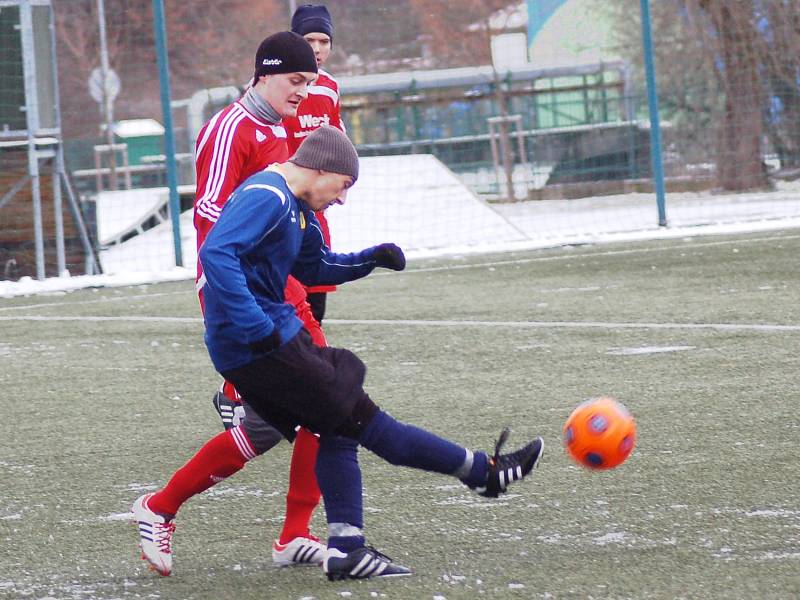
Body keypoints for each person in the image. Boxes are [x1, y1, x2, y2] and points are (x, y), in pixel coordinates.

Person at [132, 125, 545, 580]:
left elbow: (314, 265)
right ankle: (478, 475)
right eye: (344, 185)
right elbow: (217, 255)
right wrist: (257, 327)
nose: (343, 197)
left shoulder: (298, 208)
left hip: (275, 339)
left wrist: (370, 259)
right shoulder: (268, 194)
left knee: (339, 427)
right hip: (259, 345)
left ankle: (354, 541)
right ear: (322, 167)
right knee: (363, 422)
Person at [193, 30, 327, 567]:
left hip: (282, 286)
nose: (302, 91)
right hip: (243, 294)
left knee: (329, 403)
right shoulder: (229, 129)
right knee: (282, 420)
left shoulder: (281, 126)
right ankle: (159, 508)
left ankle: (296, 534)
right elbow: (210, 222)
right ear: (264, 74)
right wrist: (236, 306)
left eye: (309, 82)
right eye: (295, 81)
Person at [283, 4, 344, 325]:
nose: (318, 49)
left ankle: (308, 360)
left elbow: (336, 135)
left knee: (316, 292)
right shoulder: (277, 85)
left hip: (315, 204)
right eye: (309, 40)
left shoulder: (331, 87)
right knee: (283, 290)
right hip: (282, 200)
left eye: (324, 41)